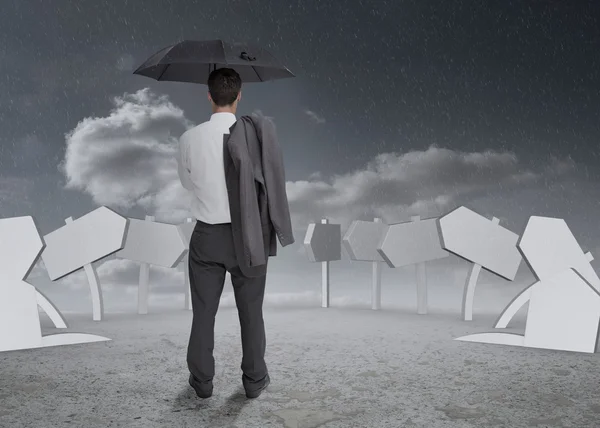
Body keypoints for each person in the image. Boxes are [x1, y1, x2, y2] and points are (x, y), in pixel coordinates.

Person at [177, 67, 293, 400]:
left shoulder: (189, 138)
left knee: (203, 313)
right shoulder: (256, 136)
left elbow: (186, 184)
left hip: (207, 237)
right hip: (250, 236)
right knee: (251, 312)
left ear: (209, 95)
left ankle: (202, 382)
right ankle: (254, 380)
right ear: (240, 95)